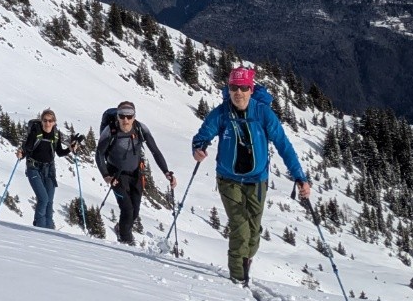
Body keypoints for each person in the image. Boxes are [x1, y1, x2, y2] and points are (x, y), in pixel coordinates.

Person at [191, 66, 311, 285]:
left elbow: (284, 145)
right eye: (234, 87)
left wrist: (299, 176)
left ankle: (245, 260)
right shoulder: (221, 113)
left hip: (257, 181)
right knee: (240, 228)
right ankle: (238, 280)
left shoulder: (263, 113)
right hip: (228, 180)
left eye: (244, 87)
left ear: (251, 89)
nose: (239, 92)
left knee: (254, 232)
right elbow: (202, 136)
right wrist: (198, 149)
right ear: (229, 88)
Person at [96, 101, 173, 245]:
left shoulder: (140, 129)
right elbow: (99, 154)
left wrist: (166, 172)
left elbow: (155, 151)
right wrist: (106, 175)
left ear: (134, 116)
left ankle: (121, 229)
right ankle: (127, 243)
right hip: (116, 175)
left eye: (129, 116)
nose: (126, 120)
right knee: (127, 209)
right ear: (118, 117)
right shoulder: (110, 131)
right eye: (122, 116)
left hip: (136, 174)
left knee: (135, 211)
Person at [16, 109, 73, 229]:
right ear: (42, 121)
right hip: (34, 168)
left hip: (49, 170)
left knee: (49, 201)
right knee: (43, 198)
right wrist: (21, 154)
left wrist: (70, 149)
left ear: (54, 122)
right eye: (45, 120)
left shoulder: (56, 134)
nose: (47, 123)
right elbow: (28, 148)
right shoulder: (36, 132)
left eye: (50, 121)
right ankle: (40, 227)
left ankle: (49, 227)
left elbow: (60, 152)